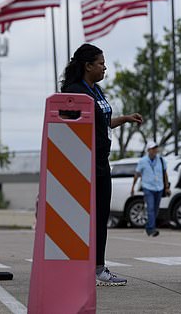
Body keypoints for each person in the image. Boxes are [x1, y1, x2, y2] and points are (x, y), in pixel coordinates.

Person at [60, 43, 143, 287]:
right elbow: (69, 128)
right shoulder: (75, 92)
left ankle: (97, 267)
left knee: (101, 215)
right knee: (85, 217)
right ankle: (88, 269)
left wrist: (124, 119)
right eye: (101, 63)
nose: (104, 67)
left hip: (101, 161)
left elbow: (101, 122)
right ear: (87, 66)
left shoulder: (96, 91)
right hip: (84, 163)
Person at [131, 141, 169, 237]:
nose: (155, 150)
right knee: (151, 208)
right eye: (152, 148)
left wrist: (166, 187)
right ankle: (152, 229)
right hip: (148, 187)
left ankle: (148, 227)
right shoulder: (143, 161)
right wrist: (133, 187)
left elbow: (165, 174)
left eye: (155, 148)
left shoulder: (161, 160)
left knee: (155, 209)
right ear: (148, 150)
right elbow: (137, 174)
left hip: (159, 187)